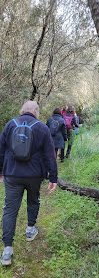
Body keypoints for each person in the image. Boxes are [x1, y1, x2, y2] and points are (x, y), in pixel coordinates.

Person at [0, 101, 58, 266]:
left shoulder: (10, 124)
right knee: (33, 200)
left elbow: (1, 150)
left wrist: (0, 171)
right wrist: (53, 177)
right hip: (34, 175)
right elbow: (49, 155)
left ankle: (7, 251)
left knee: (10, 210)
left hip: (12, 174)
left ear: (22, 110)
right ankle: (30, 230)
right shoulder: (42, 128)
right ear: (36, 112)